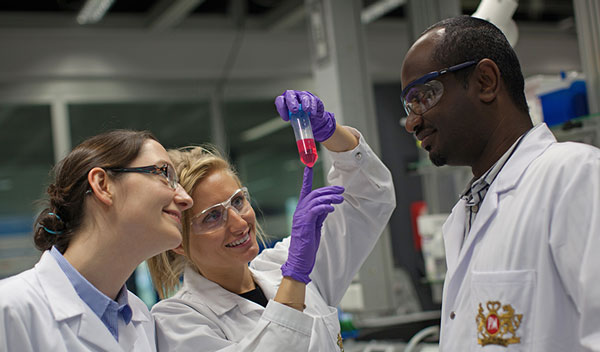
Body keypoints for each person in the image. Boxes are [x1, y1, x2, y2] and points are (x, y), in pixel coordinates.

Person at [401, 15, 600, 351]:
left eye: (424, 96)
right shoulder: (466, 213)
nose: (412, 122)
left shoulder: (575, 176)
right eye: (409, 105)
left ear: (485, 82)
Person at [148, 90, 396, 352]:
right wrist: (295, 276)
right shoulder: (176, 320)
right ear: (178, 242)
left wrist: (331, 133)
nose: (239, 224)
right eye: (212, 216)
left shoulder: (281, 265)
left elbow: (369, 198)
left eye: (237, 201)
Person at [0, 129, 194, 352]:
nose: (185, 199)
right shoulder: (9, 309)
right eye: (165, 174)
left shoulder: (139, 317)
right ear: (102, 185)